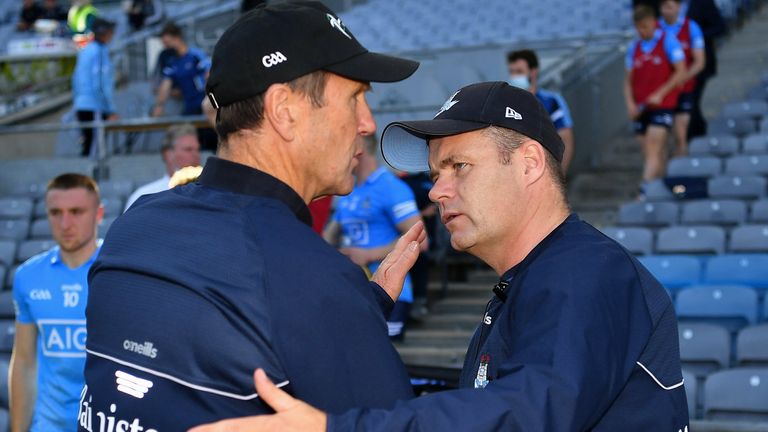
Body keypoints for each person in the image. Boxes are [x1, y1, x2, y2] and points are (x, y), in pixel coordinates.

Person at [191, 82, 690, 432]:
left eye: (459, 166)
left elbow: (527, 415)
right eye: (435, 173)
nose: (437, 192)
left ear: (530, 163)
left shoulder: (585, 272)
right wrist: (366, 311)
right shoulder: (538, 276)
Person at [79, 2, 422, 431]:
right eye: (355, 99)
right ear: (284, 110)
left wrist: (353, 312)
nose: (367, 124)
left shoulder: (133, 225)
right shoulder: (307, 277)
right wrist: (342, 305)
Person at [10, 173, 103, 432]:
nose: (65, 223)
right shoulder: (28, 276)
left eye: (76, 211)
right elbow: (25, 361)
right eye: (55, 212)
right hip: (49, 425)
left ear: (98, 213)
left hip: (101, 423)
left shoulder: (117, 272)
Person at [324, 135, 427, 340]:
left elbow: (421, 240)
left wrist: (369, 254)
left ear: (359, 148)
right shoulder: (348, 189)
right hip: (353, 292)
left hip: (389, 293)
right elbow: (328, 236)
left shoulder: (391, 187)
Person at [624, 5, 686, 185]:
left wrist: (660, 93)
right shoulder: (634, 48)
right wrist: (630, 104)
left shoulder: (668, 41)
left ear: (653, 23)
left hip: (662, 106)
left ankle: (644, 193)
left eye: (645, 26)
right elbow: (627, 81)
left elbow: (680, 71)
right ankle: (659, 190)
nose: (642, 31)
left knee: (653, 147)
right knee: (652, 154)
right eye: (638, 27)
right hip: (642, 108)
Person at [506, 49, 576, 174]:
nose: (515, 77)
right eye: (512, 72)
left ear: (533, 72)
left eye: (519, 72)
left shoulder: (551, 102)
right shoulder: (505, 102)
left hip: (544, 172)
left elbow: (566, 139)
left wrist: (559, 177)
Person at [152, 22, 217, 151]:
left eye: (167, 42)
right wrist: (159, 105)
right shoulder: (172, 62)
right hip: (189, 109)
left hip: (205, 106)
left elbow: (210, 74)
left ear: (176, 38)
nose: (165, 47)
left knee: (213, 143)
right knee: (189, 142)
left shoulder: (195, 55)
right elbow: (166, 84)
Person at [659, 0, 706, 156]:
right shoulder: (656, 29)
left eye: (670, 6)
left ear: (679, 7)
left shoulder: (691, 27)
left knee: (681, 132)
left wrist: (681, 78)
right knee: (662, 139)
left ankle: (681, 171)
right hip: (662, 92)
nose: (667, 11)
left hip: (684, 88)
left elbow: (699, 62)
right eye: (664, 7)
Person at [124, 123, 201, 210]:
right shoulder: (144, 196)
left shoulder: (206, 194)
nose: (196, 155)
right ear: (168, 155)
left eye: (198, 150)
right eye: (188, 149)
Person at [72, 18, 118, 157]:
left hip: (83, 105)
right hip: (95, 106)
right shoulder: (99, 51)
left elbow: (75, 79)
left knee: (89, 146)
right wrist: (110, 110)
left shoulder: (86, 50)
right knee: (95, 150)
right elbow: (100, 83)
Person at [684, 0, 726, 138]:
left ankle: (696, 137)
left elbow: (720, 27)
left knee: (692, 102)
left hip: (700, 62)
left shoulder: (703, 2)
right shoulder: (667, 5)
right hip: (678, 64)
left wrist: (697, 37)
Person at [398, 171, 437, 320]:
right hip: (407, 234)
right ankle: (407, 306)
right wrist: (422, 213)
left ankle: (418, 304)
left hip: (428, 235)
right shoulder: (400, 182)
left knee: (421, 264)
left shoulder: (428, 178)